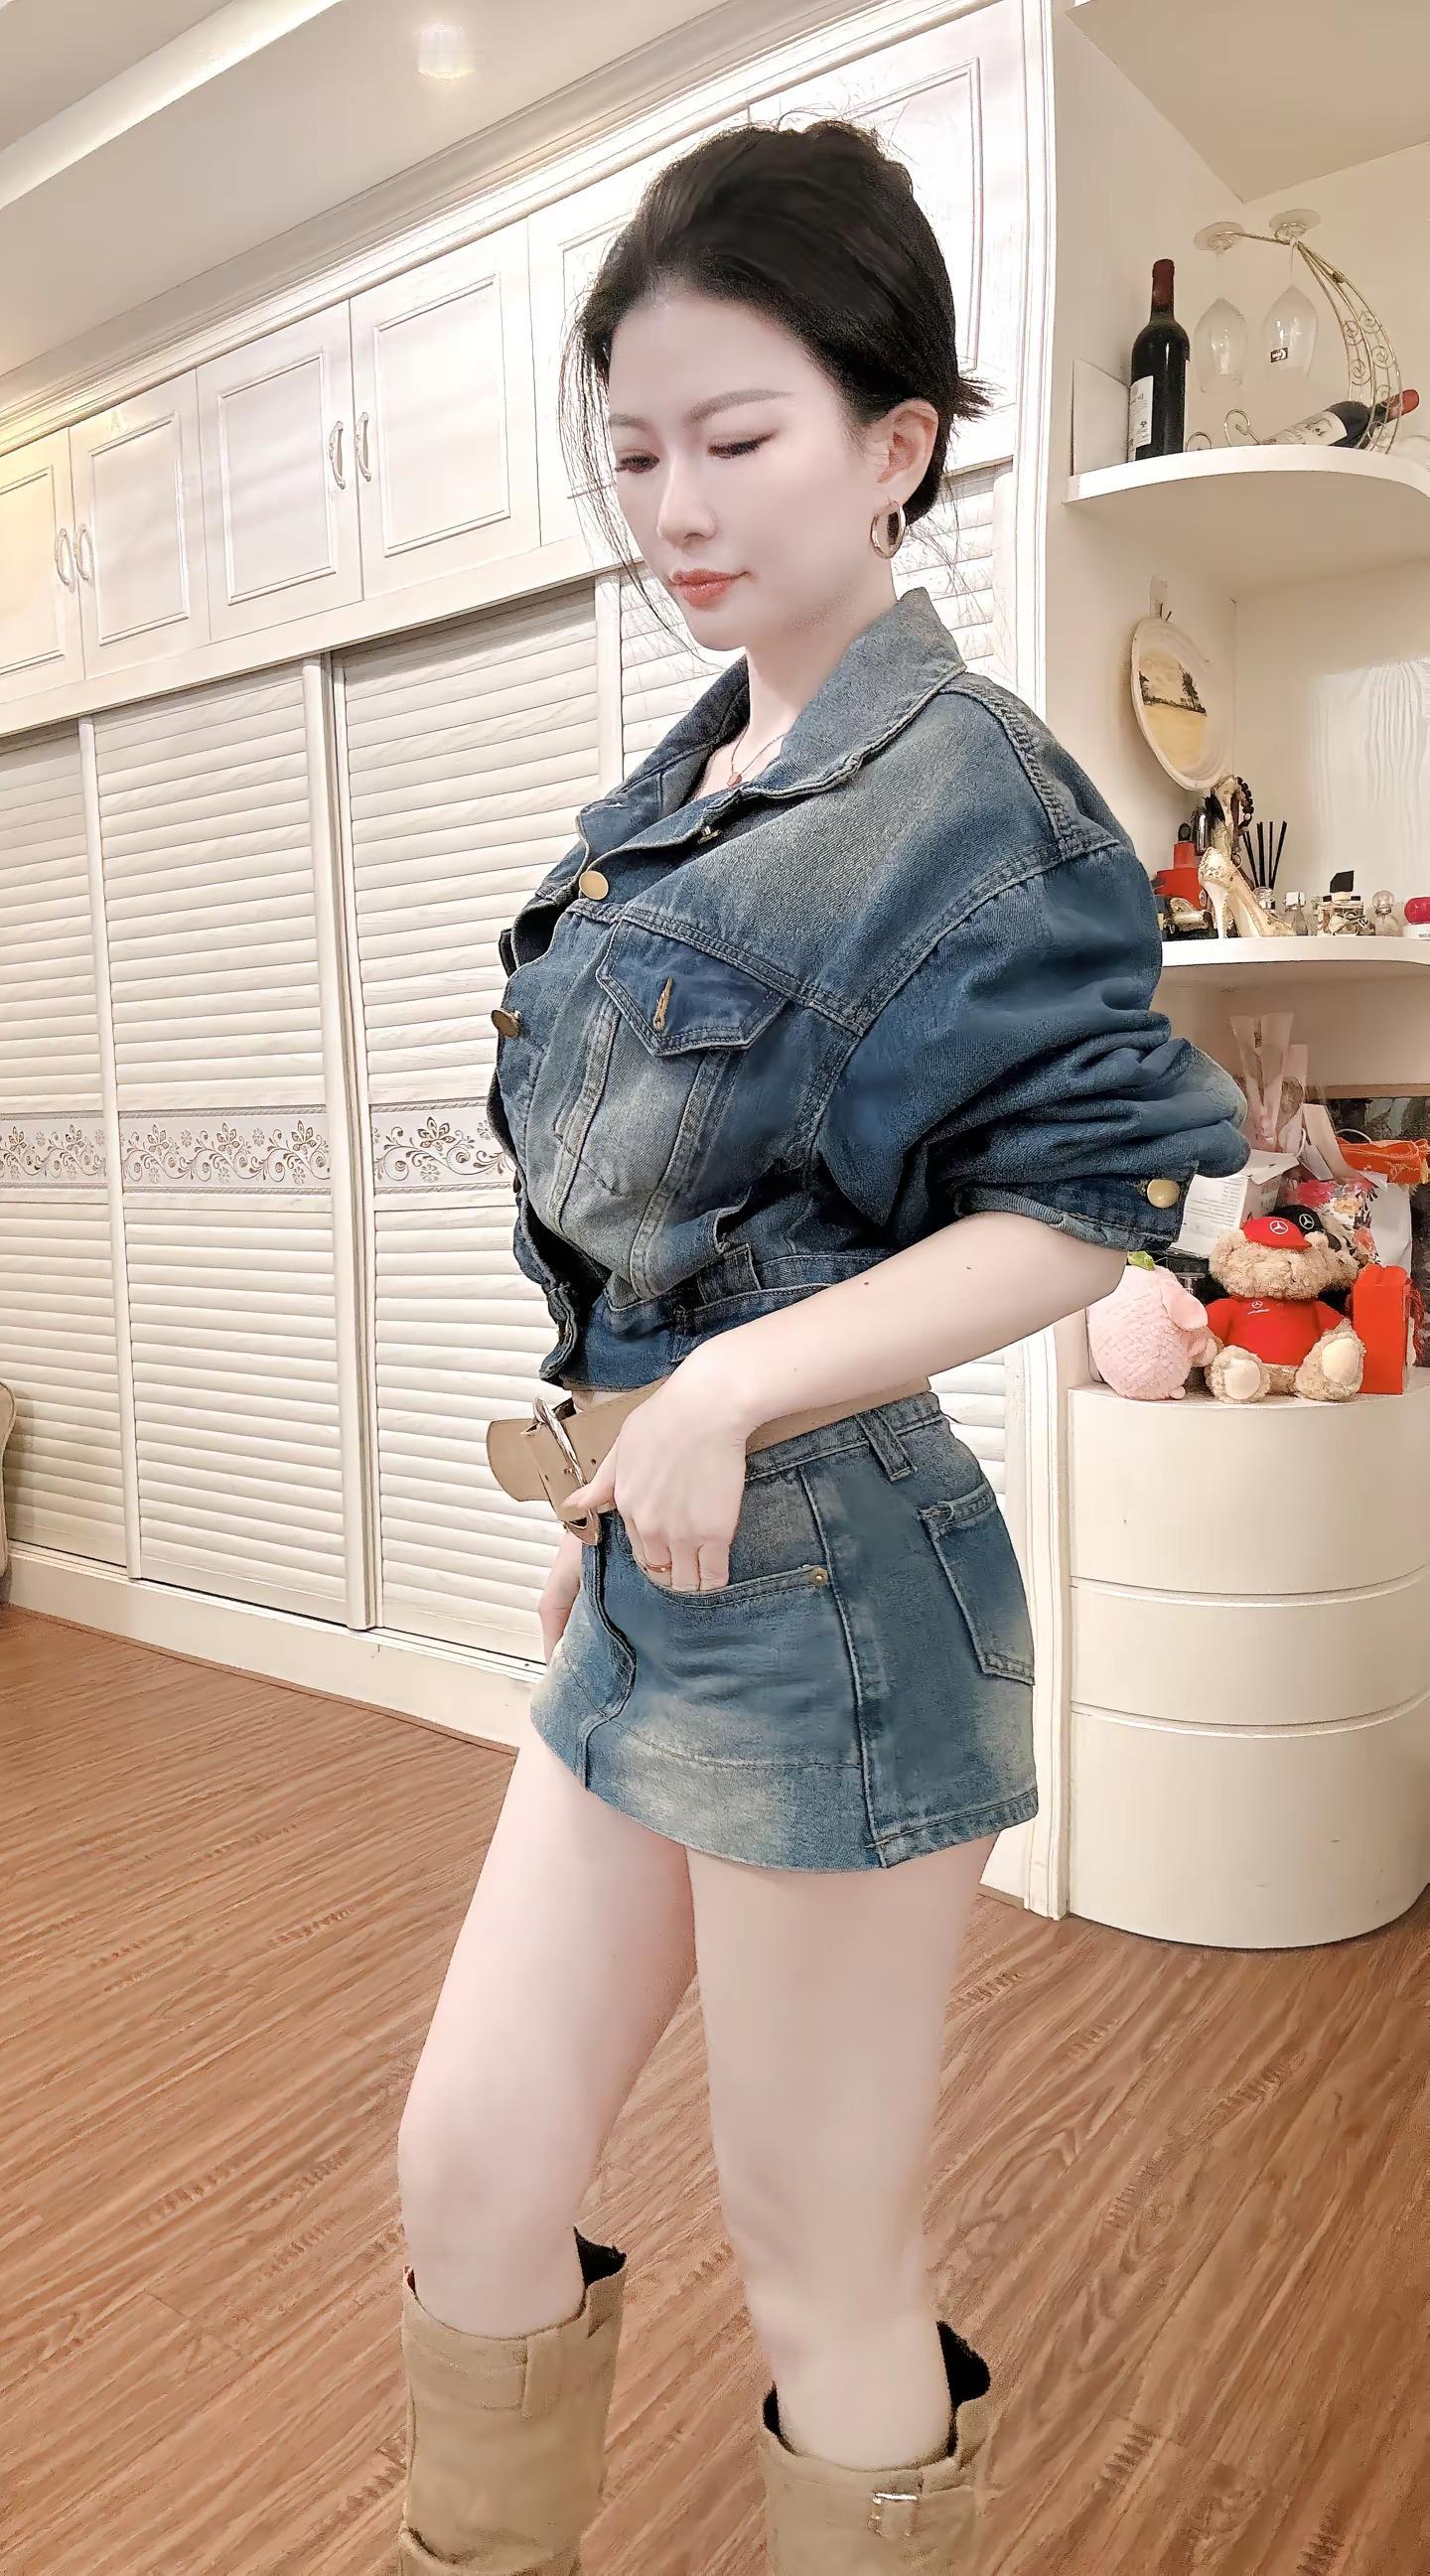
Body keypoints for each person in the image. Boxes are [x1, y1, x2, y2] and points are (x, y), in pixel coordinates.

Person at [393, 118, 1250, 2575]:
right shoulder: (684, 787)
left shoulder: (970, 788)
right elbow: (662, 1234)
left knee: (820, 2261)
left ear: (894, 444)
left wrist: (738, 1391)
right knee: (471, 2161)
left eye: (737, 437)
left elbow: (1097, 1204)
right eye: (634, 450)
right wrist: (620, 1460)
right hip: (654, 1575)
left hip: (841, 1608)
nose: (675, 505)